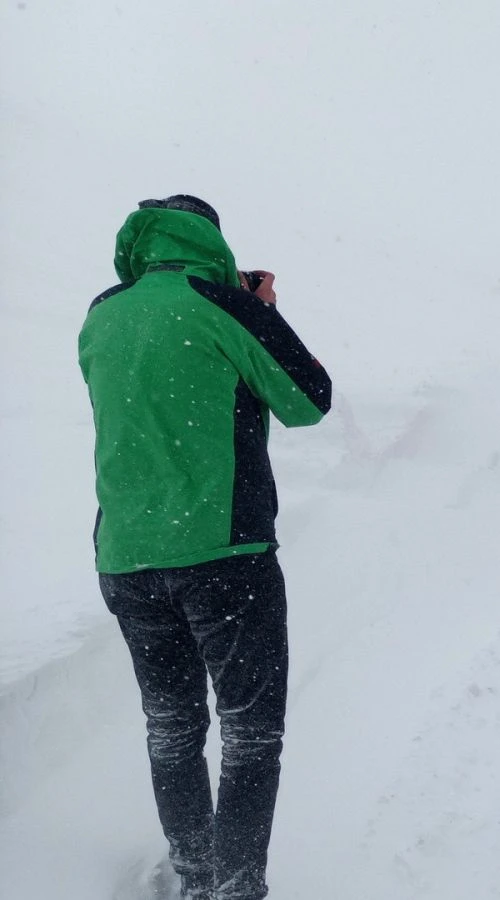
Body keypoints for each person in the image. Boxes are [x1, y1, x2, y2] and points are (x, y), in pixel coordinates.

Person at [79, 195, 333, 900]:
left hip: (127, 556)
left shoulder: (102, 313)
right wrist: (263, 310)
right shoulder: (223, 305)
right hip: (224, 555)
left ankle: (195, 878)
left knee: (171, 724)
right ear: (211, 243)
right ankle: (236, 889)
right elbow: (310, 398)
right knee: (249, 736)